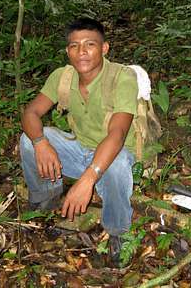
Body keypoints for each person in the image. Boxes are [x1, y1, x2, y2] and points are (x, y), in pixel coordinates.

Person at [19, 17, 139, 266]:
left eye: (90, 44)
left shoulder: (122, 77)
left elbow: (117, 135)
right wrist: (41, 143)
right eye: (74, 46)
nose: (81, 52)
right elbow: (30, 114)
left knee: (116, 166)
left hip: (114, 153)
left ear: (104, 48)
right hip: (80, 148)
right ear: (67, 51)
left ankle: (118, 230)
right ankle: (46, 195)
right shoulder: (62, 77)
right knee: (29, 140)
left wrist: (87, 179)